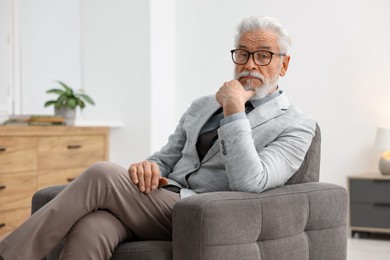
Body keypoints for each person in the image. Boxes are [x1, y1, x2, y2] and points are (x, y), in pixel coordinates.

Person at [0, 15, 316, 260]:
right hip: (163, 199)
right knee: (92, 226)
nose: (249, 64)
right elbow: (166, 158)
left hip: (206, 213)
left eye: (263, 55)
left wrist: (234, 110)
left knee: (101, 173)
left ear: (284, 64)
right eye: (243, 54)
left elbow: (251, 181)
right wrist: (148, 167)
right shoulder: (204, 105)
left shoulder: (297, 125)